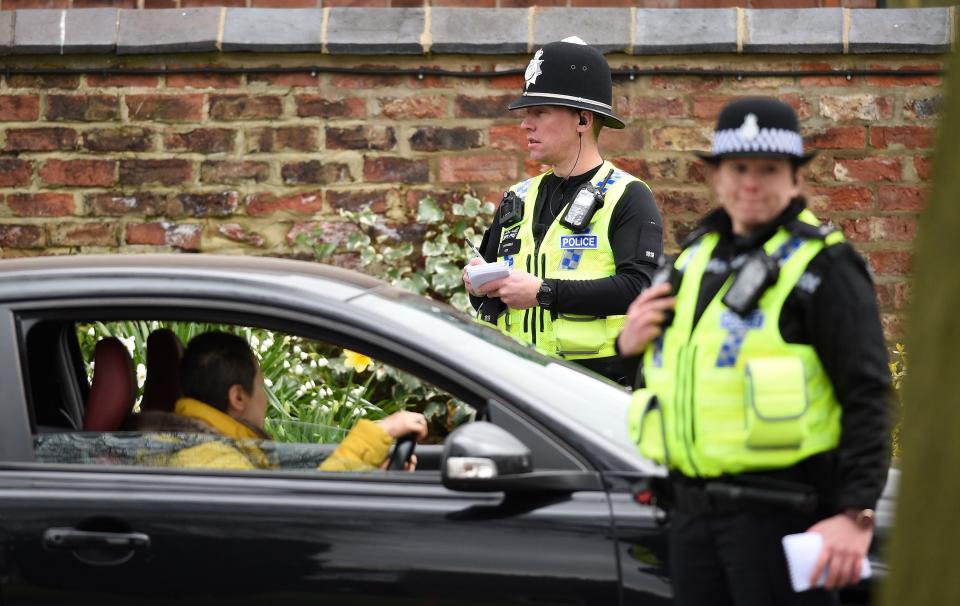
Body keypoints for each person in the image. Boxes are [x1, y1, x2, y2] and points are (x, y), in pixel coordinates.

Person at [620, 97, 891, 605]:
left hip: (783, 519)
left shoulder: (826, 267)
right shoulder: (695, 259)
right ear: (716, 178)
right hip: (692, 517)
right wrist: (628, 344)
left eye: (768, 169)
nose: (751, 183)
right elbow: (674, 372)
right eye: (738, 168)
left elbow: (867, 394)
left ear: (794, 179)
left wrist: (857, 514)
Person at [462, 36, 662, 385]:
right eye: (526, 113)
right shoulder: (517, 196)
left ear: (583, 120)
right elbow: (489, 296)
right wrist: (478, 284)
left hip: (596, 386)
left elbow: (641, 288)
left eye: (540, 112)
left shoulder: (627, 195)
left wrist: (543, 292)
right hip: (518, 379)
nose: (526, 124)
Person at [132, 331, 427, 471]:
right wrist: (381, 431)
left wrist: (371, 471)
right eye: (261, 385)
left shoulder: (207, 447)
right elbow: (302, 512)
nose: (266, 398)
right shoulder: (206, 460)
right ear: (237, 397)